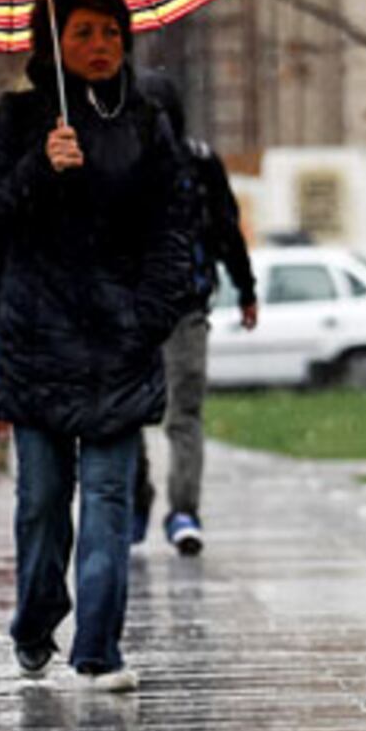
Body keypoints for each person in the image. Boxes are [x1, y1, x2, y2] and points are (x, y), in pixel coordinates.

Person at [0, 0, 190, 693]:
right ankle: (35, 623)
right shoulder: (18, 119)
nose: (101, 46)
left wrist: (148, 314)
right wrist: (39, 169)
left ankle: (98, 649)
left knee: (111, 501)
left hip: (118, 346)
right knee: (41, 504)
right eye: (84, 32)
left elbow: (173, 230)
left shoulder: (149, 124)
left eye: (112, 32)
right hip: (36, 346)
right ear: (52, 43)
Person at [130, 73, 259, 556]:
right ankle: (139, 502)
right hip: (134, 311)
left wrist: (246, 288)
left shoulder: (200, 164)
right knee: (132, 414)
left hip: (183, 307)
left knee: (181, 412)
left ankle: (182, 510)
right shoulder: (120, 167)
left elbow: (226, 229)